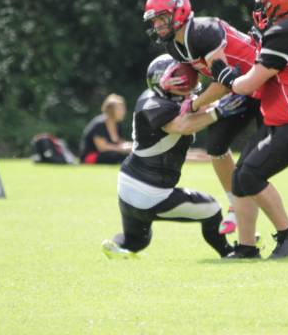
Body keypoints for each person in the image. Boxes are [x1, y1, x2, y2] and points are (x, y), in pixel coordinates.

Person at [142, 0, 288, 236]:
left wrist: (196, 103)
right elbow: (208, 76)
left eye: (162, 17)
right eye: (154, 19)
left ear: (179, 12)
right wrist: (188, 93)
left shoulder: (203, 31)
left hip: (260, 84)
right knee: (217, 148)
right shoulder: (175, 47)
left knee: (259, 159)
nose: (157, 25)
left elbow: (221, 79)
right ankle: (236, 202)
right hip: (239, 88)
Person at [211, 0, 288, 259]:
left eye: (265, 4)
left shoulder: (285, 31)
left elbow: (249, 83)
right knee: (240, 178)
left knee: (251, 175)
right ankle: (247, 247)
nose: (261, 10)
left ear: (280, 5)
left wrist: (224, 74)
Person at [101, 55, 244, 260]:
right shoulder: (155, 104)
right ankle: (227, 252)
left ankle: (117, 247)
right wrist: (218, 112)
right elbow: (182, 125)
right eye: (183, 80)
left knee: (138, 240)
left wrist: (223, 94)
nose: (190, 85)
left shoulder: (158, 98)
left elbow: (194, 108)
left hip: (127, 185)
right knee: (211, 208)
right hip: (152, 191)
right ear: (163, 80)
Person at [79, 93, 132, 164]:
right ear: (111, 110)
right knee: (114, 155)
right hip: (91, 157)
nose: (123, 112)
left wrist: (132, 146)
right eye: (120, 109)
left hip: (111, 153)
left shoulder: (118, 125)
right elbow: (102, 148)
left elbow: (120, 143)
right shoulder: (99, 124)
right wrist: (121, 149)